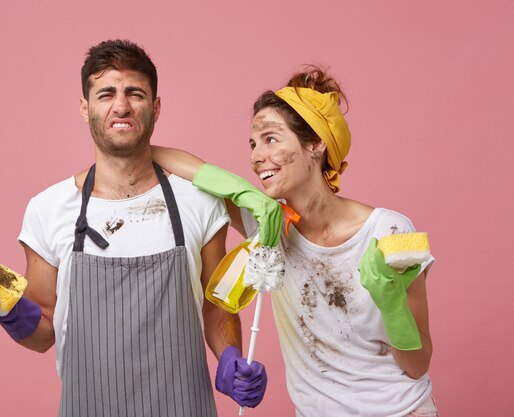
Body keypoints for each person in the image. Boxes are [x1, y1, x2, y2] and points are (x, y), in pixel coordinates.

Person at [0, 39, 270, 417]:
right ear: (85, 108)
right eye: (106, 94)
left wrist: (229, 356)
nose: (121, 105)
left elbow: (216, 305)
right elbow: (44, 332)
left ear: (156, 107)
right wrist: (11, 315)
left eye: (135, 92)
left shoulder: (198, 201)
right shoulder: (48, 209)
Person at [152, 65, 438, 417]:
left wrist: (392, 305)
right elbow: (165, 159)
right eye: (253, 144)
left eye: (271, 139)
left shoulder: (387, 232)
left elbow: (417, 364)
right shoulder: (268, 228)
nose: (257, 157)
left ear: (316, 145)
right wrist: (241, 191)